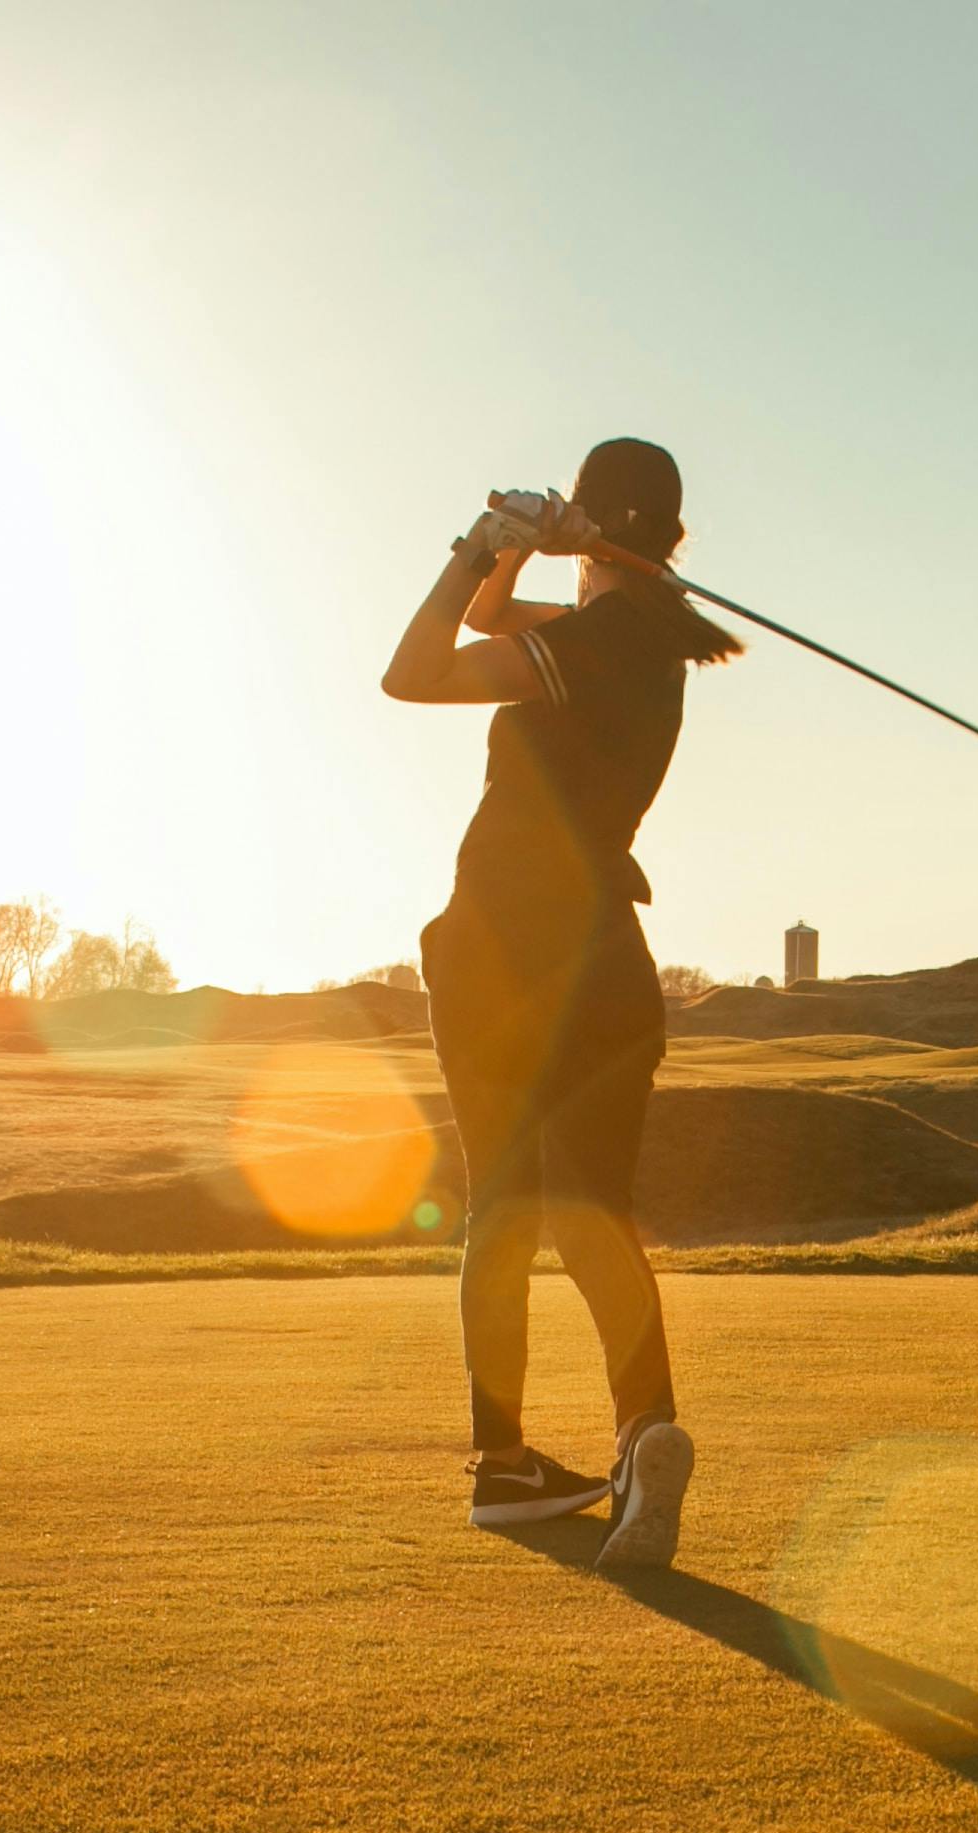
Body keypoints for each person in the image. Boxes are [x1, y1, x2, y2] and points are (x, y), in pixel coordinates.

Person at [380, 437, 741, 1566]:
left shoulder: (589, 645)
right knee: (592, 1217)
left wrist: (475, 545)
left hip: (503, 951)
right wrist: (536, 552)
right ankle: (644, 1434)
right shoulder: (656, 641)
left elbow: (415, 670)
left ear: (598, 527)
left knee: (500, 1211)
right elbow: (502, 625)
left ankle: (502, 1463)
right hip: (609, 961)